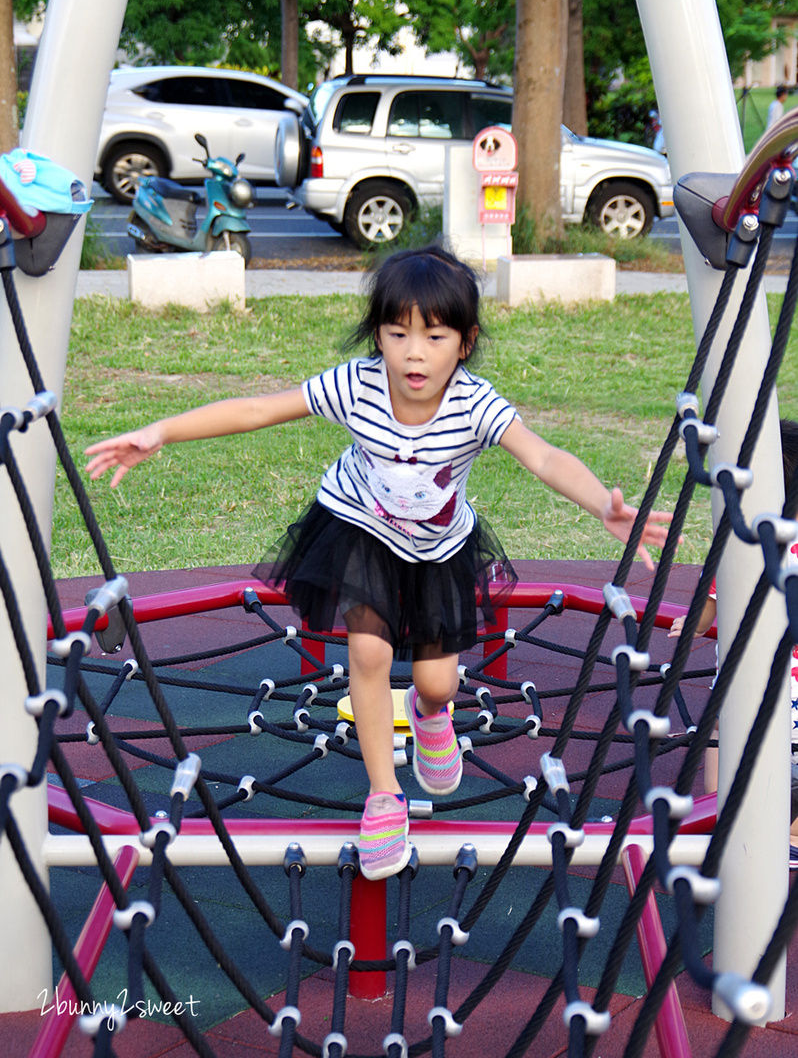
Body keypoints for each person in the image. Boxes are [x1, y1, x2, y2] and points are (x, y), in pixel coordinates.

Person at [85, 245, 672, 880]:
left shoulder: (475, 404)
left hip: (440, 549)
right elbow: (261, 409)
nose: (413, 353)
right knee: (366, 653)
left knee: (438, 681)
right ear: (378, 336)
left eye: (434, 336)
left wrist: (602, 507)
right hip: (360, 530)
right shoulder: (357, 385)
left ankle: (429, 714)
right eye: (397, 334)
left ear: (465, 344)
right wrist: (162, 431)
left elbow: (543, 455)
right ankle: (384, 795)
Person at [669, 419, 798, 858]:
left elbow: (707, 606)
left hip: (739, 680)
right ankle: (793, 834)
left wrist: (691, 626)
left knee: (722, 747)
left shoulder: (741, 544)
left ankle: (718, 809)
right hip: (786, 682)